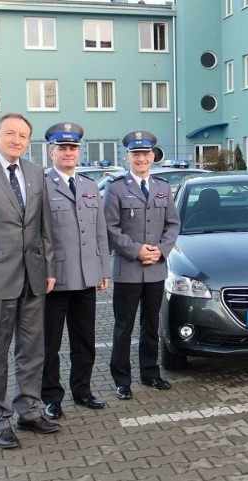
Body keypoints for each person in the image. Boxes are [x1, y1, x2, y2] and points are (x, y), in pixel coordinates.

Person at [0, 113, 58, 449]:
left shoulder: (35, 173)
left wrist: (48, 269)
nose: (16, 140)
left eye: (22, 136)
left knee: (31, 351)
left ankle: (29, 410)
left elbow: (44, 229)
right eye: (10, 133)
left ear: (29, 141)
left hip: (32, 278)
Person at [41, 122, 111, 419]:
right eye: (62, 148)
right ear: (51, 152)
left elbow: (99, 232)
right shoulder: (42, 186)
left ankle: (82, 391)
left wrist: (103, 270)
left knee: (84, 341)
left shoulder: (89, 186)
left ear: (79, 152)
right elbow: (37, 235)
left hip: (86, 278)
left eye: (73, 148)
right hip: (54, 280)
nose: (68, 153)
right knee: (50, 344)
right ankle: (51, 397)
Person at [103, 130, 180, 400]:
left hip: (156, 269)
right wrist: (137, 251)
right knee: (123, 327)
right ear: (127, 157)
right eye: (136, 154)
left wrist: (161, 250)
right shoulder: (115, 188)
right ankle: (122, 380)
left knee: (151, 325)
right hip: (128, 270)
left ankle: (150, 373)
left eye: (145, 154)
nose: (141, 158)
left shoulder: (162, 187)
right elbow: (110, 227)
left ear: (153, 157)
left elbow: (173, 224)